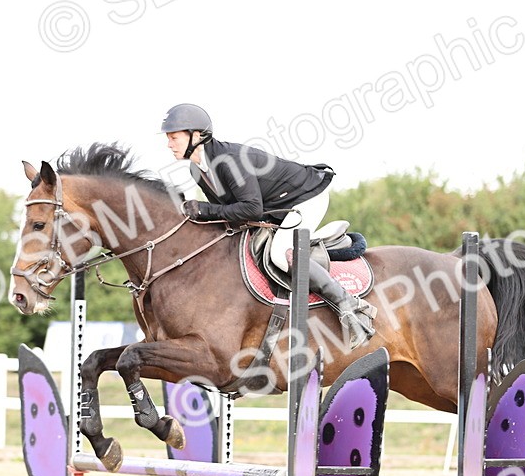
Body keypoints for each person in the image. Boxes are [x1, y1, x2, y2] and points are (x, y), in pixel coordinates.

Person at [160, 103, 376, 350]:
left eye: (174, 137)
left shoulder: (228, 161)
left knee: (282, 255)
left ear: (197, 135)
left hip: (305, 198)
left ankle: (349, 305)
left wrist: (203, 210)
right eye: (169, 138)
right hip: (275, 208)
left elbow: (251, 209)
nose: (169, 144)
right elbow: (230, 215)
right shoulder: (197, 170)